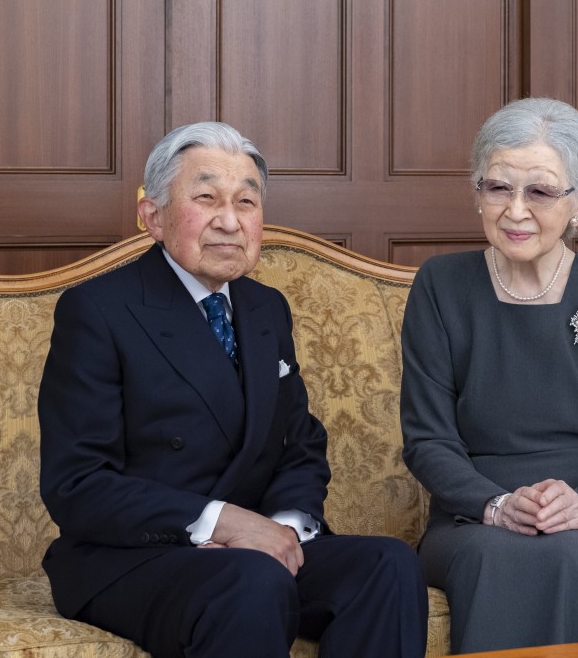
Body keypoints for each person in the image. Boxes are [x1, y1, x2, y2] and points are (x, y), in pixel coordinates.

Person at [39, 121, 428, 658]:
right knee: (251, 581)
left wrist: (285, 529)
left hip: (254, 550)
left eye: (247, 201)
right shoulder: (99, 311)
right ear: (152, 217)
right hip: (135, 555)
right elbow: (78, 484)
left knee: (387, 565)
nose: (230, 220)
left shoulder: (265, 308)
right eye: (206, 198)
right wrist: (220, 524)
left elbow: (300, 443)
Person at [400, 98, 578, 653]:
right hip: (475, 520)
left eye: (540, 191)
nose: (515, 210)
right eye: (498, 187)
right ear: (478, 194)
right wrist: (496, 505)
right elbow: (428, 442)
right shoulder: (440, 286)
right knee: (499, 556)